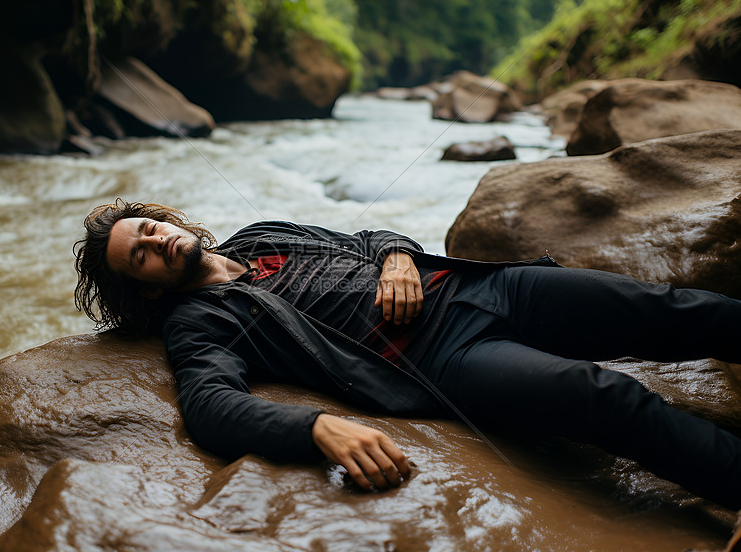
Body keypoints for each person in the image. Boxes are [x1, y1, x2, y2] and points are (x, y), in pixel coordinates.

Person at [74, 199, 741, 509]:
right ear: (144, 286)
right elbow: (212, 406)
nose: (158, 242)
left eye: (152, 228)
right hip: (446, 358)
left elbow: (366, 233)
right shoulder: (197, 322)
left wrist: (397, 255)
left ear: (167, 219)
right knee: (603, 395)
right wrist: (315, 427)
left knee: (668, 308)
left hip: (480, 284)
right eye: (142, 253)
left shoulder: (260, 235)